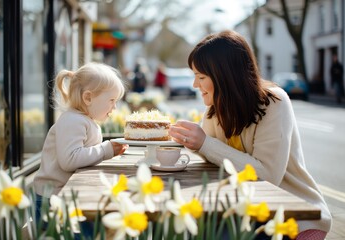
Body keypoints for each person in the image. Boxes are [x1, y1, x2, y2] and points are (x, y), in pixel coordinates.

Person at [169, 30, 331, 240]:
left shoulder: (274, 102)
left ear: (224, 77)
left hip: (292, 215)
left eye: (201, 77)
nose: (195, 85)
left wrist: (204, 144)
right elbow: (211, 162)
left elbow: (269, 175)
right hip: (243, 209)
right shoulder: (214, 111)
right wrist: (189, 143)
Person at [33, 62, 129, 223]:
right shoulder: (73, 121)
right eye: (111, 100)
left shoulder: (83, 121)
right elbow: (70, 160)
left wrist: (108, 151)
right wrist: (105, 150)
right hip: (52, 199)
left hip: (65, 195)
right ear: (88, 97)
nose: (115, 107)